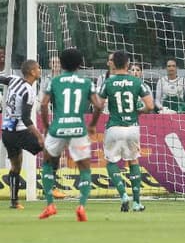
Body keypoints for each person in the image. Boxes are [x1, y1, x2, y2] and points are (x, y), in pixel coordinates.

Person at [38, 48, 102, 221]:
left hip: (57, 128)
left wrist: (45, 126)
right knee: (84, 168)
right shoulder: (86, 82)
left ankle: (50, 205)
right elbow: (98, 105)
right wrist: (93, 125)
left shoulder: (54, 81)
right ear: (80, 64)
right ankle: (81, 206)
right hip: (78, 129)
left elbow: (43, 105)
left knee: (48, 163)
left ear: (62, 63)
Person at [98, 50, 154, 212]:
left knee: (111, 162)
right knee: (134, 161)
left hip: (114, 127)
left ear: (113, 64)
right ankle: (137, 202)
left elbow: (99, 105)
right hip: (132, 128)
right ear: (128, 64)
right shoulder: (137, 82)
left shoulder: (108, 83)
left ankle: (123, 194)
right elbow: (150, 106)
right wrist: (138, 111)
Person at [1, 60, 44, 210]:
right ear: (32, 72)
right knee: (49, 150)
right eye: (38, 68)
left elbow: (2, 79)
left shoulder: (13, 80)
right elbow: (26, 118)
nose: (40, 70)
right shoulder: (29, 91)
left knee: (16, 166)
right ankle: (52, 184)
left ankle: (14, 202)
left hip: (7, 132)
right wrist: (39, 136)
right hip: (20, 132)